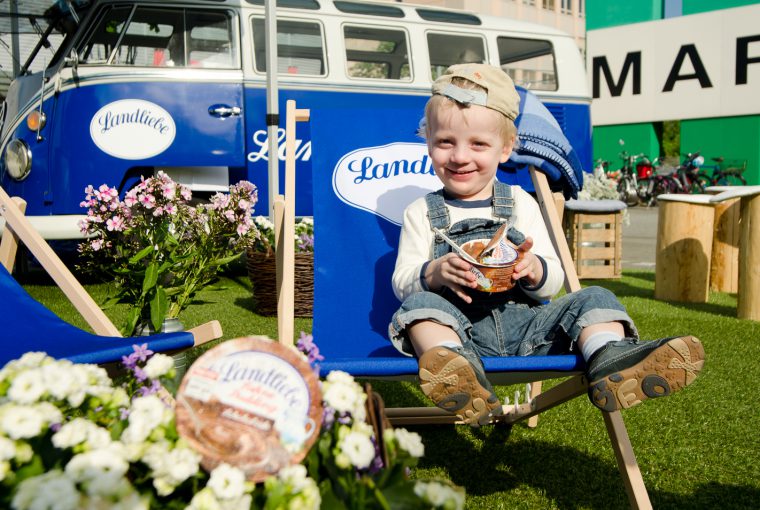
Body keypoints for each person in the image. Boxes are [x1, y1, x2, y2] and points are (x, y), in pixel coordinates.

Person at [388, 63, 705, 427]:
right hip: (463, 336)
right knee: (420, 307)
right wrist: (434, 272)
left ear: (505, 149)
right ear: (428, 143)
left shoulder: (520, 203)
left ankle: (610, 359)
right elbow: (402, 283)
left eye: (478, 144)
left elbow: (552, 282)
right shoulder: (422, 213)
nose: (460, 156)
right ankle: (457, 373)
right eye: (445, 142)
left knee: (593, 296)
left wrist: (534, 268)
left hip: (530, 335)